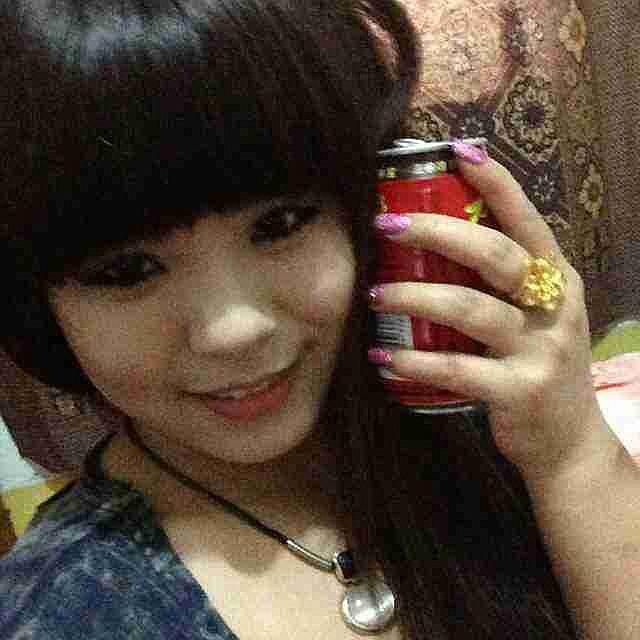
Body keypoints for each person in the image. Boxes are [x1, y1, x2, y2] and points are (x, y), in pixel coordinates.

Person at [0, 1, 638, 638]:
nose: (234, 330)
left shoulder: (494, 423)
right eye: (126, 270)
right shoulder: (58, 615)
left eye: (280, 223)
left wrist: (572, 451)